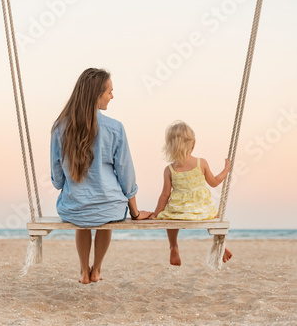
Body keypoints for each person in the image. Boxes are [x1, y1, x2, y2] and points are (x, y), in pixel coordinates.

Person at [50, 68, 151, 284]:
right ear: (97, 94)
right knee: (106, 217)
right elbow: (126, 173)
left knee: (83, 221)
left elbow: (57, 179)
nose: (112, 96)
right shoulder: (115, 128)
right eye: (109, 92)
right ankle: (96, 270)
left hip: (75, 208)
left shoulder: (60, 127)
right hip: (110, 207)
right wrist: (134, 211)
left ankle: (83, 272)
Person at [150, 121, 233, 266]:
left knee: (170, 221)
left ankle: (173, 246)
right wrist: (226, 169)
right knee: (214, 217)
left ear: (170, 145)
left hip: (179, 210)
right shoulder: (201, 163)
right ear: (193, 144)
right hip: (201, 209)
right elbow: (214, 182)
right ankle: (221, 245)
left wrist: (156, 214)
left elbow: (165, 195)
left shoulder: (170, 169)